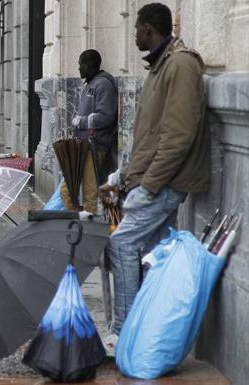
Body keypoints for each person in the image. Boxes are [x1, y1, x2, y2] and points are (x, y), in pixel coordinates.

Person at [99, 2, 209, 346]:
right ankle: (150, 328)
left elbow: (177, 136)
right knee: (149, 254)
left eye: (136, 29)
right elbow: (148, 137)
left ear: (148, 29)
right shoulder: (161, 66)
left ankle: (127, 329)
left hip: (165, 183)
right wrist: (122, 176)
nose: (133, 35)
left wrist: (148, 185)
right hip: (152, 179)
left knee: (122, 244)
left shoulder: (180, 65)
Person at [60, 49, 118, 213]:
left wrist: (83, 121)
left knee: (90, 193)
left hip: (94, 146)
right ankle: (77, 218)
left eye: (81, 64)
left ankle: (86, 225)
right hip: (81, 145)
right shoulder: (89, 84)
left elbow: (106, 116)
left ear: (89, 65)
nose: (79, 68)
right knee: (66, 189)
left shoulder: (104, 84)